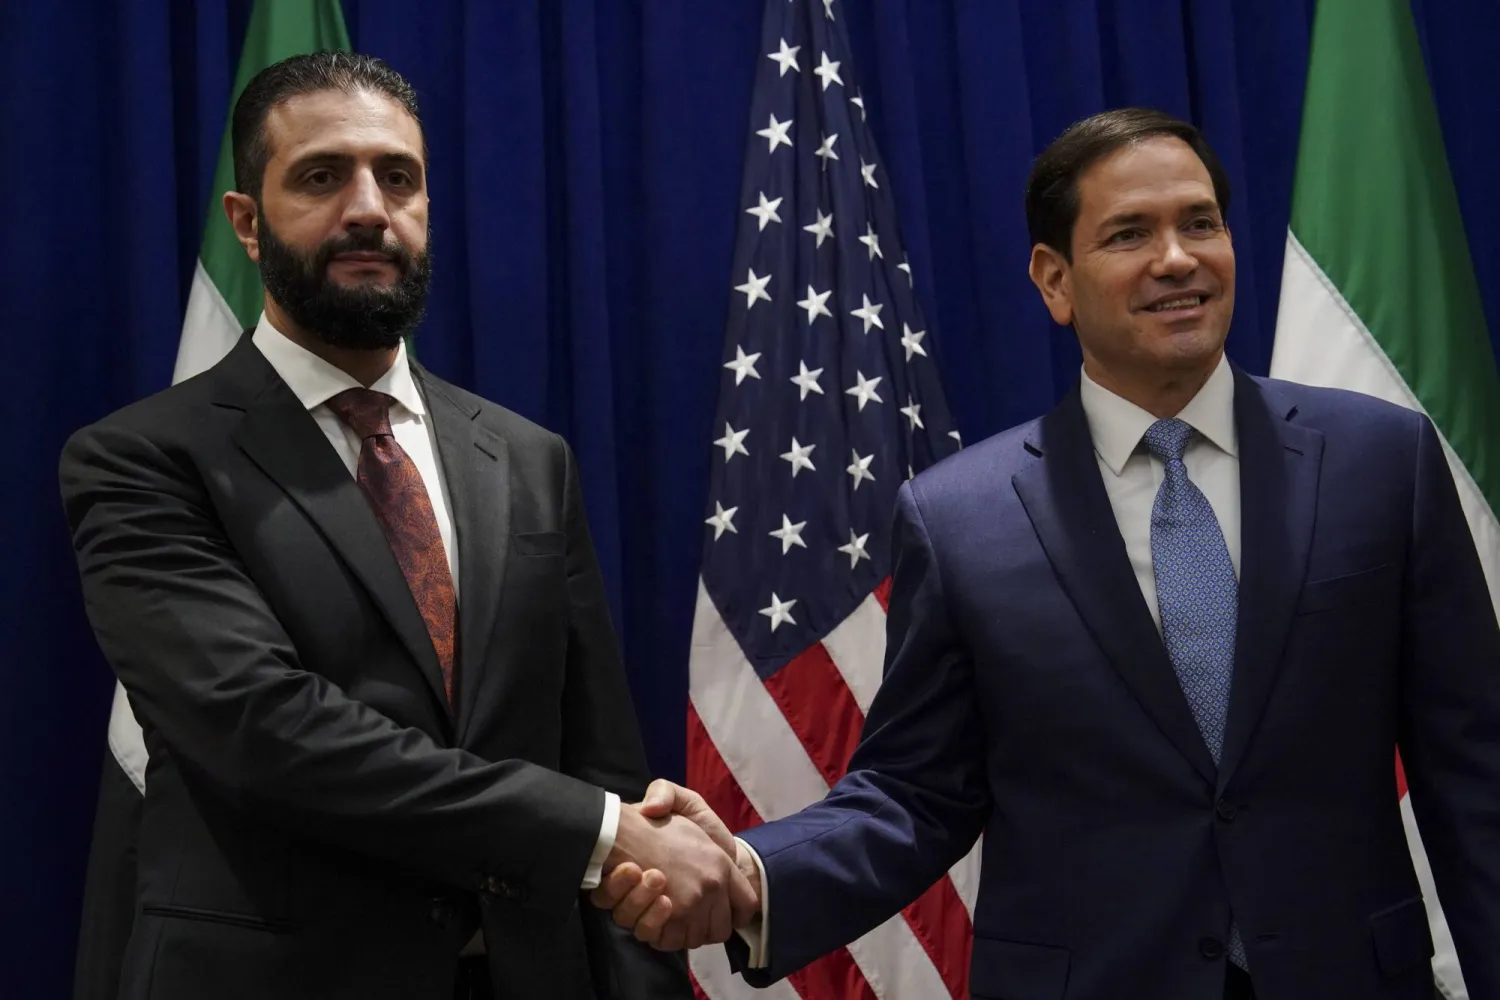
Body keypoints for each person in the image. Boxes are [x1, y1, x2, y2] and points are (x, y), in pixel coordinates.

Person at [594, 108, 1500, 999]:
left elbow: (1475, 774)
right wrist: (753, 873)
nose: (1177, 258)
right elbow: (916, 793)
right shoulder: (960, 520)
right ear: (1054, 280)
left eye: (1200, 224)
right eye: (1130, 234)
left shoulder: (1382, 463)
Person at [58, 52, 748, 1000]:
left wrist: (633, 903)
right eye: (320, 176)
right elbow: (264, 729)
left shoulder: (528, 457)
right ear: (247, 224)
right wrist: (598, 831)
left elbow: (596, 751)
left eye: (398, 177)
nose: (369, 209)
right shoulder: (143, 459)